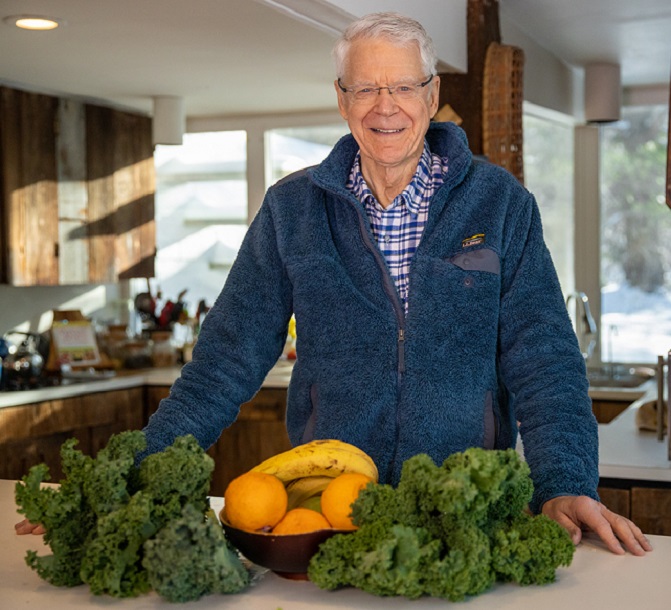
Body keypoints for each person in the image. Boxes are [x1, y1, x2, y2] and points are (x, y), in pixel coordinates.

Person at [16, 12, 651, 556]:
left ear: (431, 97)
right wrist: (130, 474)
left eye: (402, 86)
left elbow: (545, 361)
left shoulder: (500, 205)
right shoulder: (292, 210)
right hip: (330, 514)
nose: (386, 105)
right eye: (366, 88)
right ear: (343, 99)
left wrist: (566, 482)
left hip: (470, 512)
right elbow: (223, 363)